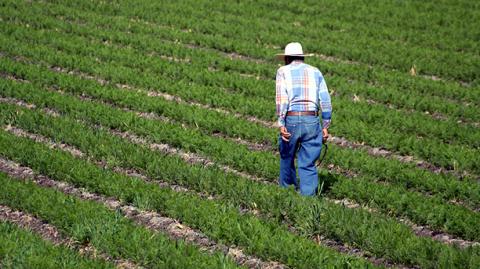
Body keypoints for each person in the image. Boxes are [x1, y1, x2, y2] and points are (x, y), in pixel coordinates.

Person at [275, 42, 332, 196]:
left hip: (291, 119)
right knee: (308, 163)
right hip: (312, 120)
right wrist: (325, 125)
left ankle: (288, 194)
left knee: (287, 158)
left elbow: (282, 99)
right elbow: (325, 100)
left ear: (287, 58)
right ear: (302, 57)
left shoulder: (283, 71)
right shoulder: (316, 71)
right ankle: (308, 202)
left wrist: (281, 123)